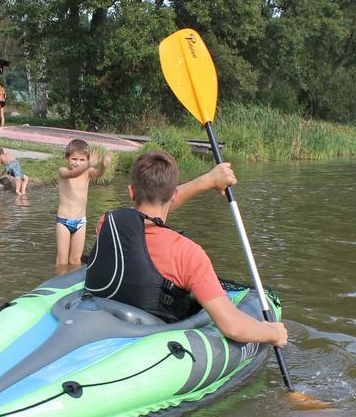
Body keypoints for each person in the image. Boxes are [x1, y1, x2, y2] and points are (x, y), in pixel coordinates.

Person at [84, 150, 288, 346]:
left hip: (102, 324)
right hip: (152, 340)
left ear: (130, 191)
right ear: (173, 194)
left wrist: (207, 181)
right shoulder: (187, 253)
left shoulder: (106, 223)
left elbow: (141, 213)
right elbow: (231, 326)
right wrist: (273, 333)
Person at [56, 139, 111, 267]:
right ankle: (59, 283)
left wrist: (103, 165)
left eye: (82, 160)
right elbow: (72, 174)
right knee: (62, 261)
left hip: (81, 221)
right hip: (63, 221)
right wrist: (88, 164)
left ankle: (72, 284)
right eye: (74, 159)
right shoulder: (63, 171)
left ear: (87, 160)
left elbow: (98, 173)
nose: (78, 163)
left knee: (76, 260)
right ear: (67, 158)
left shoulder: (88, 171)